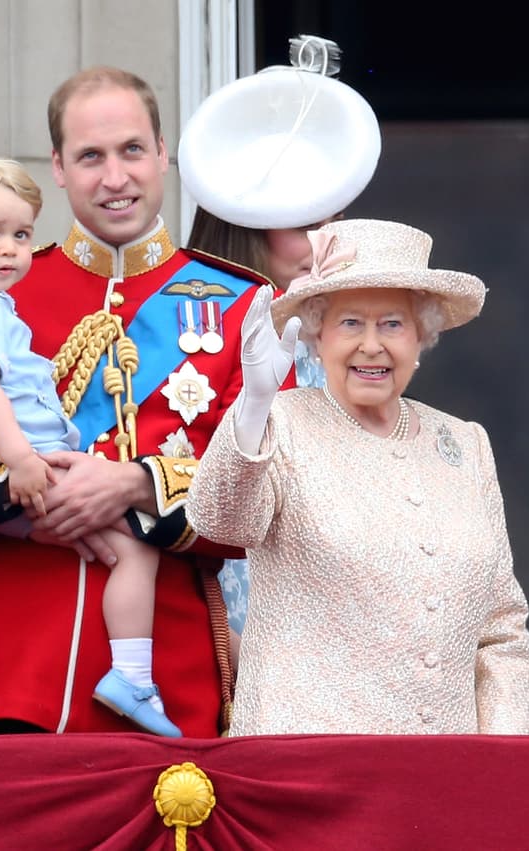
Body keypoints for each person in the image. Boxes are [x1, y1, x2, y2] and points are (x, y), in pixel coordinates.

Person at [0, 66, 285, 737]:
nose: (114, 177)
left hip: (165, 676)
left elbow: (274, 494)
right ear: (58, 168)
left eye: (131, 151)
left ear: (163, 154)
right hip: (1, 664)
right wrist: (17, 493)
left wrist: (136, 485)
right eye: (90, 156)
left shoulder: (239, 305)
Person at [186, 218, 529, 734]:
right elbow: (220, 521)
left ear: (422, 335)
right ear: (317, 334)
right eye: (350, 323)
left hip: (442, 777)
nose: (371, 345)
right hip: (309, 771)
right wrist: (253, 404)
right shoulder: (279, 423)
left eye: (392, 324)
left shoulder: (465, 444)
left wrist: (502, 767)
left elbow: (502, 633)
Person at [0, 156, 178, 736]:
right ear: (60, 163)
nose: (9, 251)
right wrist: (21, 464)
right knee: (130, 548)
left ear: (160, 153)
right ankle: (132, 674)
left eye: (21, 236)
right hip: (29, 466)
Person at [179, 34, 382, 662]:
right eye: (305, 226)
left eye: (333, 221)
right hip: (226, 611)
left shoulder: (357, 333)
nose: (326, 243)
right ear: (245, 224)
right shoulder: (194, 321)